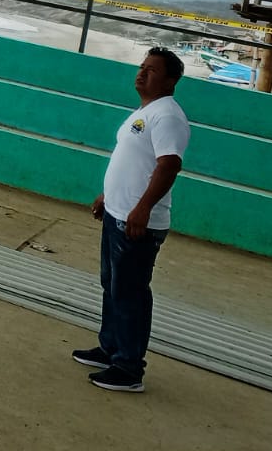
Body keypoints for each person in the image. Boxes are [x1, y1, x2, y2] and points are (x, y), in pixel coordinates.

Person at [73, 45, 190, 393]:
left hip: (137, 222)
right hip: (118, 213)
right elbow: (133, 161)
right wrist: (108, 196)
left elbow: (169, 165)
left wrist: (142, 208)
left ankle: (128, 368)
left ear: (170, 81)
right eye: (142, 66)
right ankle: (110, 347)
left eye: (152, 70)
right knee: (112, 285)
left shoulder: (167, 116)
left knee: (131, 294)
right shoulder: (145, 111)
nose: (142, 73)